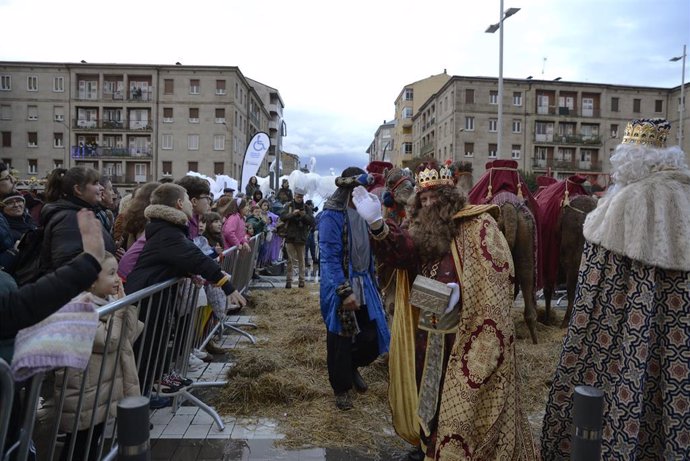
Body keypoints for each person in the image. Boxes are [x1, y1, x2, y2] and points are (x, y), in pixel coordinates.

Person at [353, 159, 536, 460]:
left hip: (465, 336)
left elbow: (498, 274)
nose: (427, 205)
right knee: (429, 397)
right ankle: (428, 447)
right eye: (422, 200)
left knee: (461, 403)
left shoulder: (478, 225)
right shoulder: (421, 231)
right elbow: (403, 254)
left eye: (434, 197)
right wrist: (377, 225)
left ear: (449, 198)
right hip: (430, 332)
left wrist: (463, 291)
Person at [541, 118, 690, 460]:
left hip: (624, 335)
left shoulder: (624, 201)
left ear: (631, 159)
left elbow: (595, 283)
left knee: (617, 392)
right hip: (678, 339)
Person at [55, 253, 142, 461]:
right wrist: (121, 309)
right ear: (91, 281)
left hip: (100, 390)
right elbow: (109, 340)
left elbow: (128, 335)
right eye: (111, 274)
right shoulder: (79, 308)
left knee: (92, 441)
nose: (118, 279)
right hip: (83, 393)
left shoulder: (108, 302)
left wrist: (125, 304)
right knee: (79, 445)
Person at [318, 167, 391, 411]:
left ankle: (352, 365)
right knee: (341, 338)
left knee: (372, 336)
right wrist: (343, 290)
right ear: (349, 189)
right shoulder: (332, 216)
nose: (364, 194)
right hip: (342, 284)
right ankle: (341, 389)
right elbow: (328, 257)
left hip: (365, 282)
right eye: (359, 190)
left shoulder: (365, 213)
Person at [41, 166, 116, 272]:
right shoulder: (69, 219)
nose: (101, 188)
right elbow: (67, 268)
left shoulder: (80, 213)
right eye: (95, 183)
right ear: (78, 189)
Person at [280, 187, 313, 288]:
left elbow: (311, 221)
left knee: (301, 260)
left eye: (301, 197)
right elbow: (282, 216)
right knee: (290, 260)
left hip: (301, 236)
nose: (299, 198)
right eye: (298, 196)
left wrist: (303, 216)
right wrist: (292, 214)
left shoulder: (307, 208)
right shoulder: (289, 205)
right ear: (294, 195)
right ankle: (288, 281)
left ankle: (301, 281)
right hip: (290, 236)